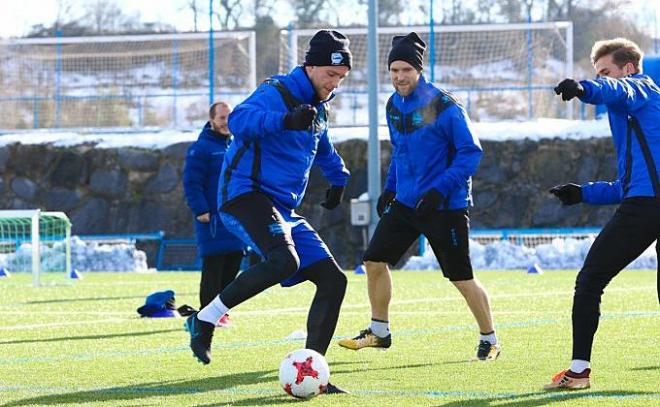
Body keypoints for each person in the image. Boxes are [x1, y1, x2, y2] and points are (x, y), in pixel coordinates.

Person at [184, 30, 352, 394]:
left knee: (334, 280)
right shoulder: (277, 92)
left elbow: (320, 144)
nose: (335, 83)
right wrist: (283, 121)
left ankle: (315, 371)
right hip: (244, 195)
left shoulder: (319, 107)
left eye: (341, 77)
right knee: (284, 261)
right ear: (309, 67)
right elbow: (241, 121)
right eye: (330, 74)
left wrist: (338, 177)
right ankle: (205, 319)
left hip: (281, 207)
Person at [337, 32, 501, 361]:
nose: (399, 77)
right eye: (394, 70)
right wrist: (390, 188)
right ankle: (380, 332)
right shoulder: (393, 105)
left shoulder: (445, 106)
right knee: (373, 261)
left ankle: (490, 339)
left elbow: (471, 153)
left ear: (419, 69)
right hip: (407, 203)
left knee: (461, 278)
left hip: (446, 206)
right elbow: (401, 151)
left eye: (406, 70)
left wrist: (440, 190)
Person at [547, 37, 660, 390]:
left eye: (605, 71)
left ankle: (579, 372)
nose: (601, 77)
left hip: (648, 208)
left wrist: (584, 87)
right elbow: (629, 184)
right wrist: (583, 193)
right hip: (646, 200)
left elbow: (616, 90)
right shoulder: (640, 116)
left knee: (590, 280)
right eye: (596, 73)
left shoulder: (639, 88)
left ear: (627, 69)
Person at [183, 102, 246, 327]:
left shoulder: (236, 144)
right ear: (211, 120)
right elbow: (192, 182)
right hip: (211, 218)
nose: (226, 122)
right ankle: (207, 313)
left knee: (233, 263)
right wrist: (200, 209)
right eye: (221, 118)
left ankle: (222, 311)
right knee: (214, 265)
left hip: (235, 218)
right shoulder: (201, 148)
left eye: (229, 117)